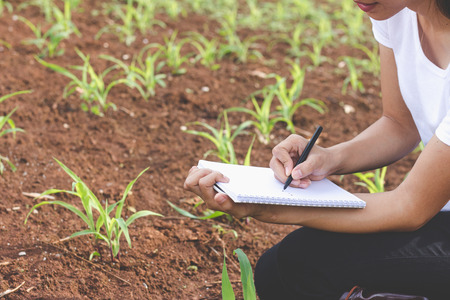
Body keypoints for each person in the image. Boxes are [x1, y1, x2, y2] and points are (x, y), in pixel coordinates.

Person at [184, 0, 450, 298]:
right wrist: (330, 157)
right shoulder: (397, 11)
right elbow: (400, 124)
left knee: (298, 267)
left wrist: (272, 209)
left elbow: (410, 208)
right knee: (285, 267)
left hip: (432, 217)